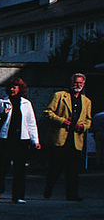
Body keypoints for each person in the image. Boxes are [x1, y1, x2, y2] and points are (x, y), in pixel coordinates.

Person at [0, 77, 40, 203]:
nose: (12, 89)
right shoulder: (1, 102)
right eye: (11, 87)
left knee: (20, 169)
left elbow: (31, 123)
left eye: (15, 87)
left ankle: (18, 196)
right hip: (5, 139)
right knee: (2, 167)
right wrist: (2, 114)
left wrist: (35, 140)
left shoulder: (26, 104)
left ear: (20, 89)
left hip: (21, 140)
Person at [43, 72, 92, 201]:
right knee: (55, 169)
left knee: (73, 170)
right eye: (76, 82)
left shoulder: (86, 101)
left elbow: (88, 120)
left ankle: (72, 195)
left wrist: (83, 127)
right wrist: (62, 121)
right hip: (60, 138)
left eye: (81, 83)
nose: (78, 85)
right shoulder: (59, 96)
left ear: (84, 84)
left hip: (76, 140)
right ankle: (48, 190)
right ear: (71, 83)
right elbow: (47, 112)